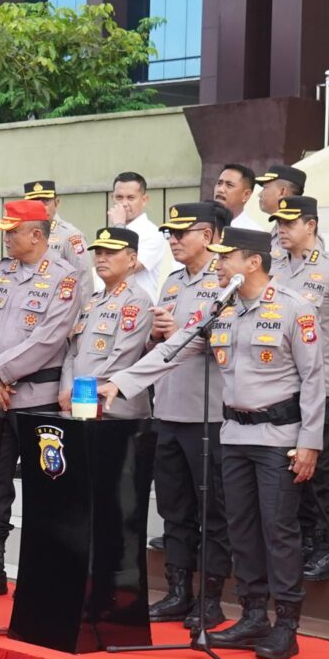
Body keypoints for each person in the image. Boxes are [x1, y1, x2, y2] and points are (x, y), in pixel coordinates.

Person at [113, 226, 323, 654]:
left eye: (227, 257)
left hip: (278, 437)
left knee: (277, 530)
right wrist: (121, 382)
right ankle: (252, 615)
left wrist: (310, 442)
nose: (220, 264)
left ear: (253, 262)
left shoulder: (294, 308)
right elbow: (176, 347)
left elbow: (314, 380)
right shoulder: (219, 308)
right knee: (241, 529)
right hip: (233, 435)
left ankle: (286, 625)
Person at [104, 201, 236, 624]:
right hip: (169, 409)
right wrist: (157, 337)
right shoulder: (174, 281)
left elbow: (223, 344)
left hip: (208, 413)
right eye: (170, 234)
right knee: (174, 510)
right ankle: (179, 591)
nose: (173, 241)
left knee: (212, 512)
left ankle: (210, 599)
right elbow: (160, 346)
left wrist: (176, 334)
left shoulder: (225, 282)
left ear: (209, 235)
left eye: (182, 233)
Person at [0, 198, 85, 598]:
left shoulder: (64, 278)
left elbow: (49, 338)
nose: (6, 239)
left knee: (44, 486)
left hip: (38, 401)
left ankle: (40, 573)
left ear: (36, 235)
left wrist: (0, 371)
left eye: (12, 232)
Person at [269, 195, 329, 583]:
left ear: (311, 225)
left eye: (290, 223)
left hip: (320, 383)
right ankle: (305, 539)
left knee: (322, 468)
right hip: (281, 384)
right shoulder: (272, 267)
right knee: (291, 468)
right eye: (279, 223)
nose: (282, 230)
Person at [67, 226, 161, 565]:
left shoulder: (137, 301)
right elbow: (72, 351)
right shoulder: (93, 300)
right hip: (83, 413)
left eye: (111, 252)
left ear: (132, 259)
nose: (102, 258)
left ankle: (116, 569)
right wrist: (67, 388)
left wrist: (83, 391)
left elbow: (123, 358)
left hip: (119, 416)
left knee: (117, 502)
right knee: (86, 499)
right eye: (99, 252)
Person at [22, 177, 93, 277]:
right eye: (34, 203)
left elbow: (83, 276)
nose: (40, 207)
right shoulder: (21, 234)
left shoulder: (71, 236)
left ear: (56, 203)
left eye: (45, 201)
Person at [108, 171, 173, 280]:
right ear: (112, 198)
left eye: (131, 198)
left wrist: (119, 226)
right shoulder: (111, 230)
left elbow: (125, 268)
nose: (124, 203)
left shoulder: (153, 234)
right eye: (119, 197)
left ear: (144, 200)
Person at [214, 162, 268, 232]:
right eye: (219, 183)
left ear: (246, 195)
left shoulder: (253, 233)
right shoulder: (202, 223)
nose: (220, 189)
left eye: (229, 185)